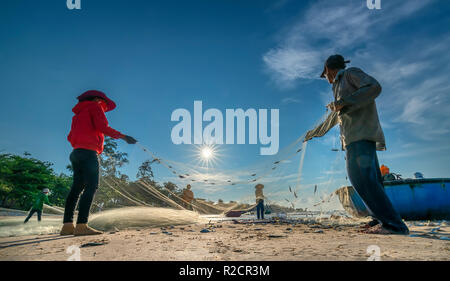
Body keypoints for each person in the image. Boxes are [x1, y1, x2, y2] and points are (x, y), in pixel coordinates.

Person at [304, 55, 409, 235]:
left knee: (360, 179)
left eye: (325, 74)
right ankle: (379, 219)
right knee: (371, 179)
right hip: (353, 138)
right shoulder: (337, 88)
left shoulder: (350, 74)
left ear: (329, 69)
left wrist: (343, 102)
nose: (326, 79)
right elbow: (336, 115)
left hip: (361, 135)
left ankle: (394, 225)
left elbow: (374, 87)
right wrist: (314, 133)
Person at [60, 90, 137, 236]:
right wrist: (123, 137)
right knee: (92, 186)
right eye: (104, 103)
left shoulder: (77, 115)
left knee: (76, 189)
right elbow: (103, 127)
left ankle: (67, 226)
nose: (104, 107)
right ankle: (82, 225)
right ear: (97, 99)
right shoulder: (95, 107)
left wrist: (81, 143)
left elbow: (70, 136)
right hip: (89, 153)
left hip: (76, 153)